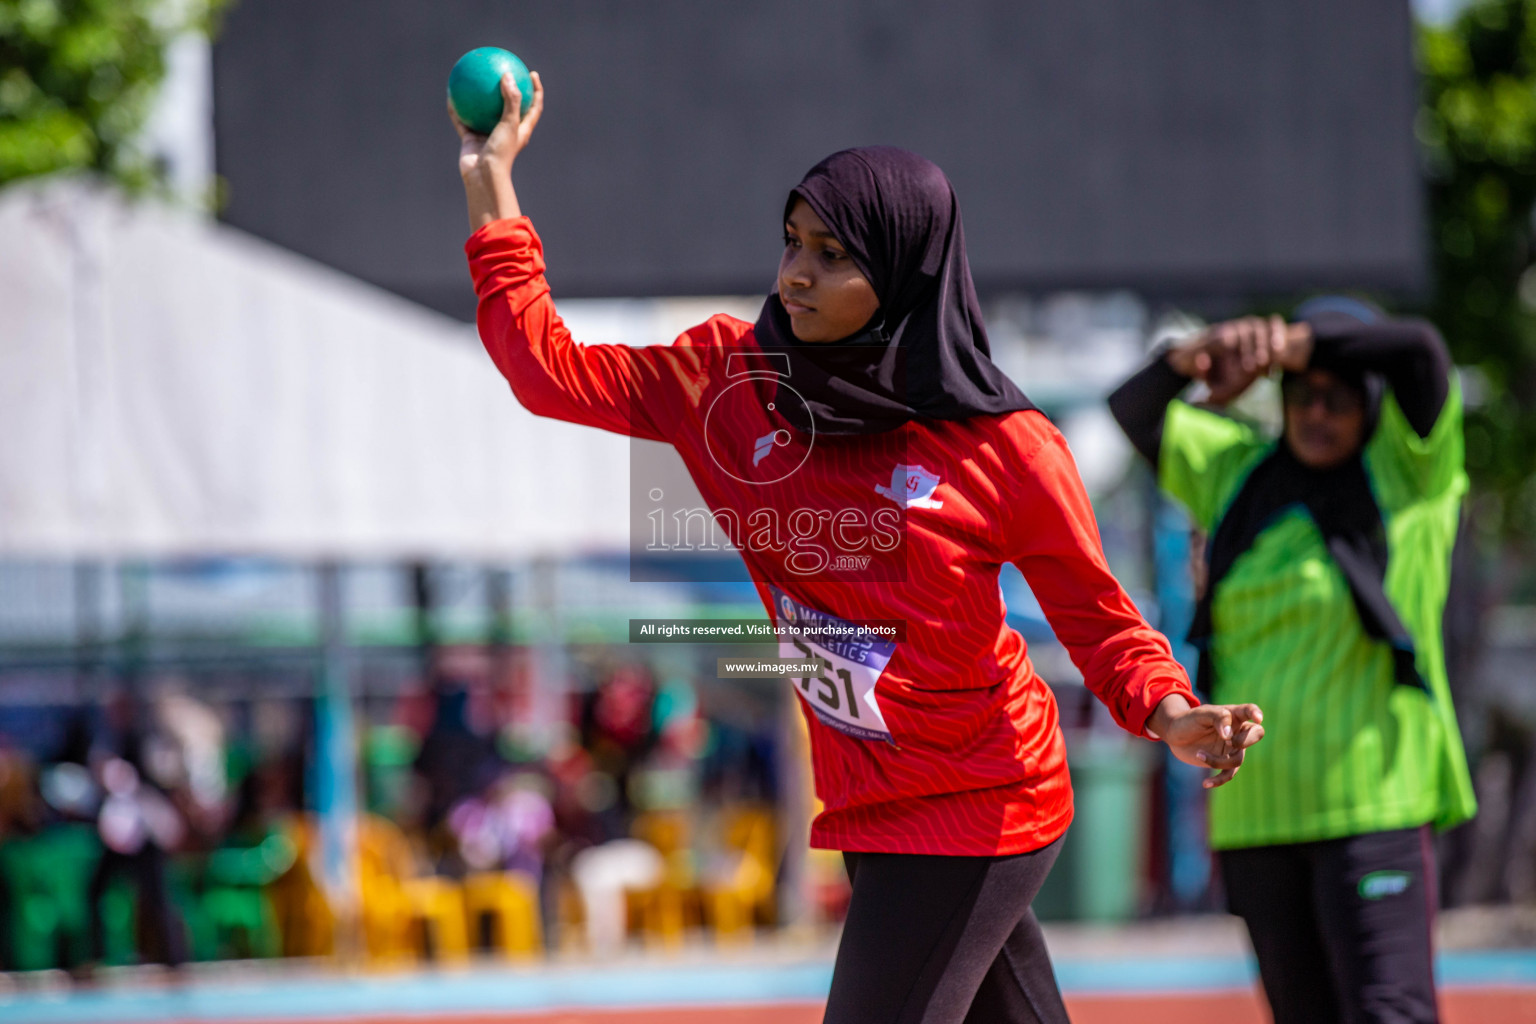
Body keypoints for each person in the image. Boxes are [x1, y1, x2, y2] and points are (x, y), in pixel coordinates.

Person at [453, 72, 1263, 1023]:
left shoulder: (1005, 447)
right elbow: (542, 368)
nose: (794, 273)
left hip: (982, 801)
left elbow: (1096, 614)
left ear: (905, 273)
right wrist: (488, 176)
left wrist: (1168, 710)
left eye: (833, 255)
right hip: (871, 804)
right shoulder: (725, 380)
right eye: (791, 241)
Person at [1108, 300, 1478, 1024]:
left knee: (1388, 1014)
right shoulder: (1239, 470)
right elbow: (1133, 408)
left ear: (1370, 398)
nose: (1316, 411)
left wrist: (1294, 344)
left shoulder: (1411, 476)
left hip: (1374, 805)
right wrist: (1195, 355)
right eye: (1301, 394)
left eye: (1338, 395)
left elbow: (1421, 350)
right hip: (1256, 815)